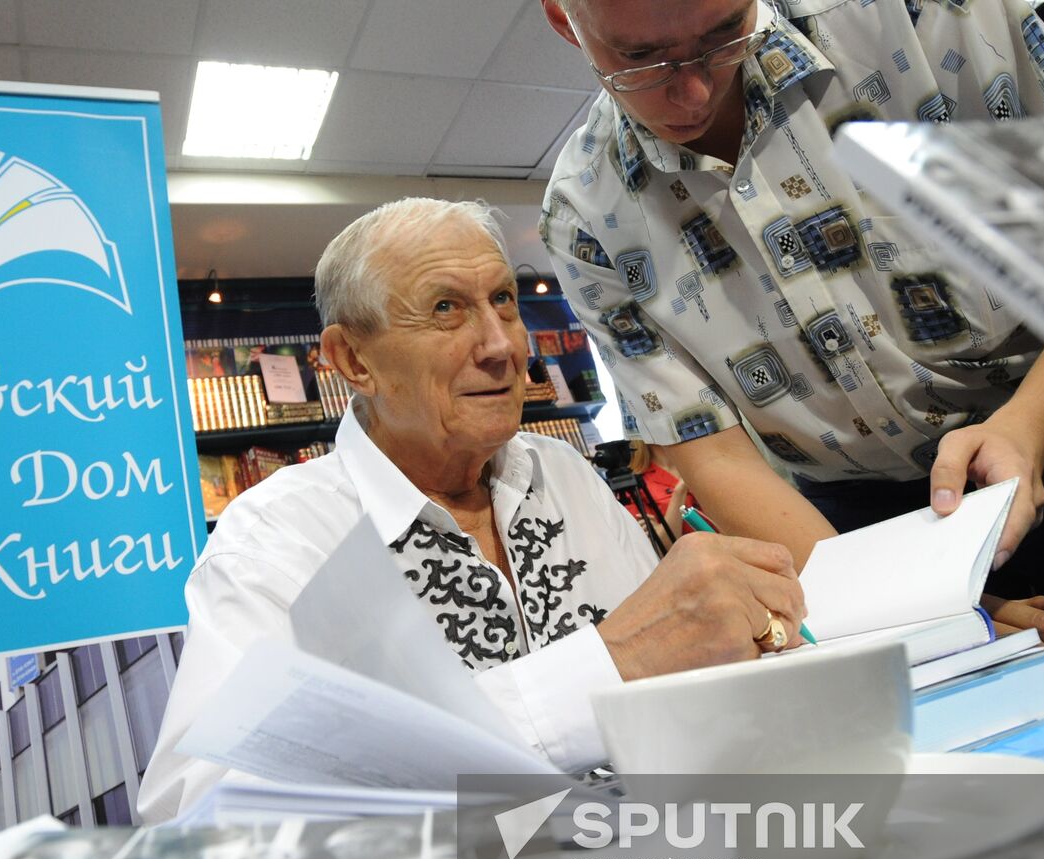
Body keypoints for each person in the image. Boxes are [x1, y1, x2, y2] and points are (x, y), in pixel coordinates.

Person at [136, 198, 808, 824]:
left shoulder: (566, 476)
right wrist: (607, 665)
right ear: (352, 360)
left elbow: (674, 690)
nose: (503, 346)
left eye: (503, 302)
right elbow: (203, 812)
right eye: (446, 309)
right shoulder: (280, 538)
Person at [538, 0, 1044, 657]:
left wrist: (1031, 425)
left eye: (724, 35)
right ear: (561, 17)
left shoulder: (929, 17)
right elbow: (713, 452)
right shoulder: (583, 216)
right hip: (847, 530)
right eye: (640, 58)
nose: (692, 90)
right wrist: (908, 608)